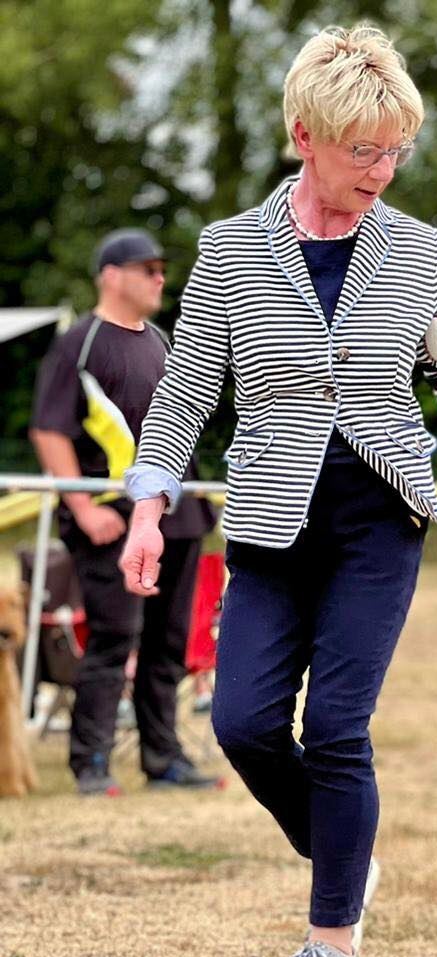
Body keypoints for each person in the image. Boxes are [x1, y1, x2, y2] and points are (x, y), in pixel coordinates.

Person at [118, 24, 437, 957]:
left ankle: (333, 948)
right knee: (239, 722)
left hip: (380, 516)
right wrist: (149, 502)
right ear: (303, 136)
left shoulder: (416, 252)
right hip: (271, 525)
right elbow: (187, 394)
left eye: (395, 148)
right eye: (362, 148)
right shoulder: (232, 253)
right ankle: (343, 850)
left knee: (335, 724)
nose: (382, 168)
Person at [29, 229, 219, 796]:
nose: (161, 278)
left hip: (178, 516)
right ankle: (90, 762)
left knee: (169, 643)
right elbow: (48, 429)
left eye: (163, 269)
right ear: (111, 275)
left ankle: (164, 761)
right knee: (114, 639)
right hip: (112, 518)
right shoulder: (78, 344)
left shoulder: (163, 340)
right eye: (148, 268)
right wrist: (84, 509)